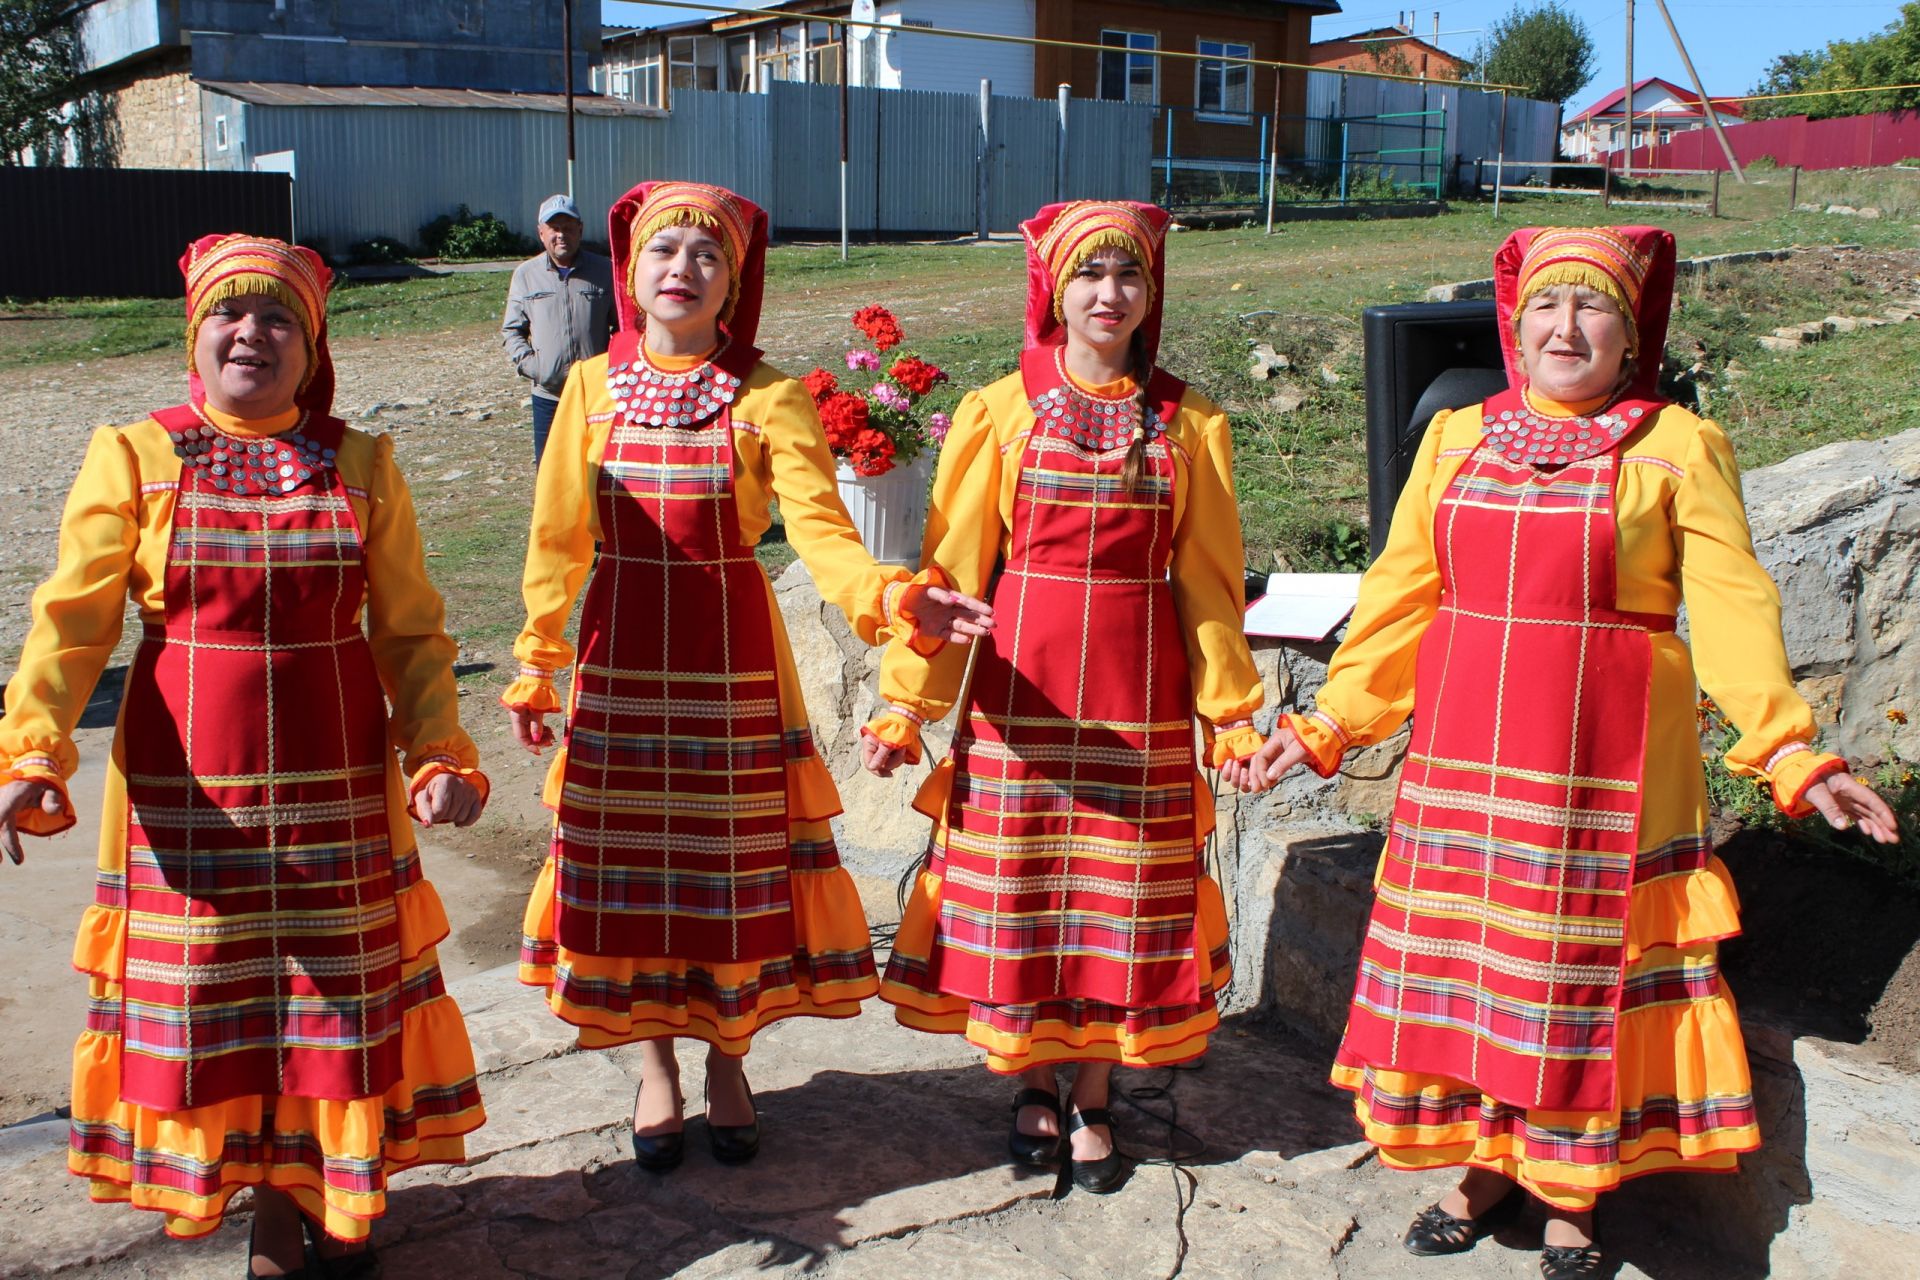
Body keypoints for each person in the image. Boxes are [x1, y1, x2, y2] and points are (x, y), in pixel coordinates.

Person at [1249, 226, 1899, 1277]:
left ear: (1630, 331)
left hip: (1605, 753)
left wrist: (1793, 753)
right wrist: (1328, 721)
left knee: (1569, 971)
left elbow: (1734, 608)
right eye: (1547, 304)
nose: (1566, 326)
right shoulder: (1457, 436)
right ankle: (1483, 1161)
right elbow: (1403, 597)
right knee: (1478, 969)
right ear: (1516, 323)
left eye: (1593, 306)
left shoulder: (1676, 446)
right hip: (1469, 747)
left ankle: (1567, 1185)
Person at [0, 234, 491, 1278]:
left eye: (277, 318)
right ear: (197, 331)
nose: (251, 333)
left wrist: (438, 747)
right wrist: (32, 750)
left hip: (338, 785)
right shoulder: (132, 456)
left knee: (331, 997)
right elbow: (71, 624)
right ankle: (267, 1201)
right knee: (222, 998)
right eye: (231, 313)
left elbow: (409, 630)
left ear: (310, 347)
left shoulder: (362, 463)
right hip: (188, 794)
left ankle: (321, 1194)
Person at [505, 180, 992, 1173]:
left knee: (731, 868)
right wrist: (538, 660)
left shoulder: (767, 394)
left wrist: (896, 600)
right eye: (661, 253)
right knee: (633, 869)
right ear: (629, 273)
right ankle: (655, 1070)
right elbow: (557, 537)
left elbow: (826, 534)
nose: (681, 269)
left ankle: (728, 1058)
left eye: (705, 256)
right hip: (623, 652)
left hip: (731, 658)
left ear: (733, 281)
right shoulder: (589, 390)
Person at [859, 199, 1269, 1194]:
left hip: (1138, 705)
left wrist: (1233, 712)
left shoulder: (1190, 421)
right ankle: (1031, 1080)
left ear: (1149, 293)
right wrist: (905, 706)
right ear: (1053, 286)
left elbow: (1209, 586)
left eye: (1127, 276)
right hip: (1020, 700)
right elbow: (951, 574)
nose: (1108, 294)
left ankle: (1094, 1091)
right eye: (1088, 274)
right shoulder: (1000, 413)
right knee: (1030, 896)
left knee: (1117, 904)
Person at [501, 193, 616, 467]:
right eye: (554, 228)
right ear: (541, 233)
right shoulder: (526, 274)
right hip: (548, 397)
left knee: (600, 472)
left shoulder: (606, 270)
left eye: (568, 227)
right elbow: (512, 331)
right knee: (552, 473)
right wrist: (534, 367)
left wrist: (611, 367)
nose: (561, 235)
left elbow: (623, 326)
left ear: (580, 230)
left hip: (596, 395)